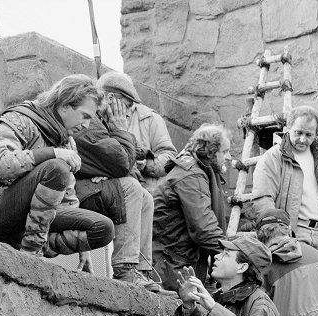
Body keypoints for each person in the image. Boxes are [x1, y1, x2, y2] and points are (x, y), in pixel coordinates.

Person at [0, 74, 114, 264]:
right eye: (85, 116)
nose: (87, 125)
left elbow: (67, 198)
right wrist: (51, 154)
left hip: (33, 221)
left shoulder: (67, 142)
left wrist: (83, 248)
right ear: (65, 105)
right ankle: (31, 254)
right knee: (56, 168)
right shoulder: (20, 118)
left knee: (103, 228)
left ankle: (31, 245)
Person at [73, 91, 165, 292]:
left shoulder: (105, 123)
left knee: (145, 196)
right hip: (73, 191)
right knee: (130, 189)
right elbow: (122, 163)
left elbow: (126, 170)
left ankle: (142, 270)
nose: (128, 112)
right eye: (126, 105)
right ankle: (125, 269)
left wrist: (112, 172)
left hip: (89, 186)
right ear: (110, 98)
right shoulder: (93, 121)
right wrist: (121, 130)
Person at [251, 105, 318, 263]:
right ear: (289, 127)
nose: (302, 139)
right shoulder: (273, 158)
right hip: (292, 233)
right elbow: (263, 199)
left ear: (316, 133)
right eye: (298, 132)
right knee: (299, 283)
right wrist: (277, 237)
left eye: (308, 135)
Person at [152, 124, 232, 292]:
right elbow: (203, 227)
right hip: (171, 264)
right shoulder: (191, 176)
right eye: (225, 152)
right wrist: (232, 255)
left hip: (176, 260)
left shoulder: (197, 171)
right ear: (211, 151)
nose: (229, 157)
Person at [96, 71, 177, 194]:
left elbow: (170, 159)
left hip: (144, 192)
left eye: (129, 104)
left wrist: (144, 165)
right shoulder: (93, 116)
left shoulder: (150, 118)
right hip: (108, 193)